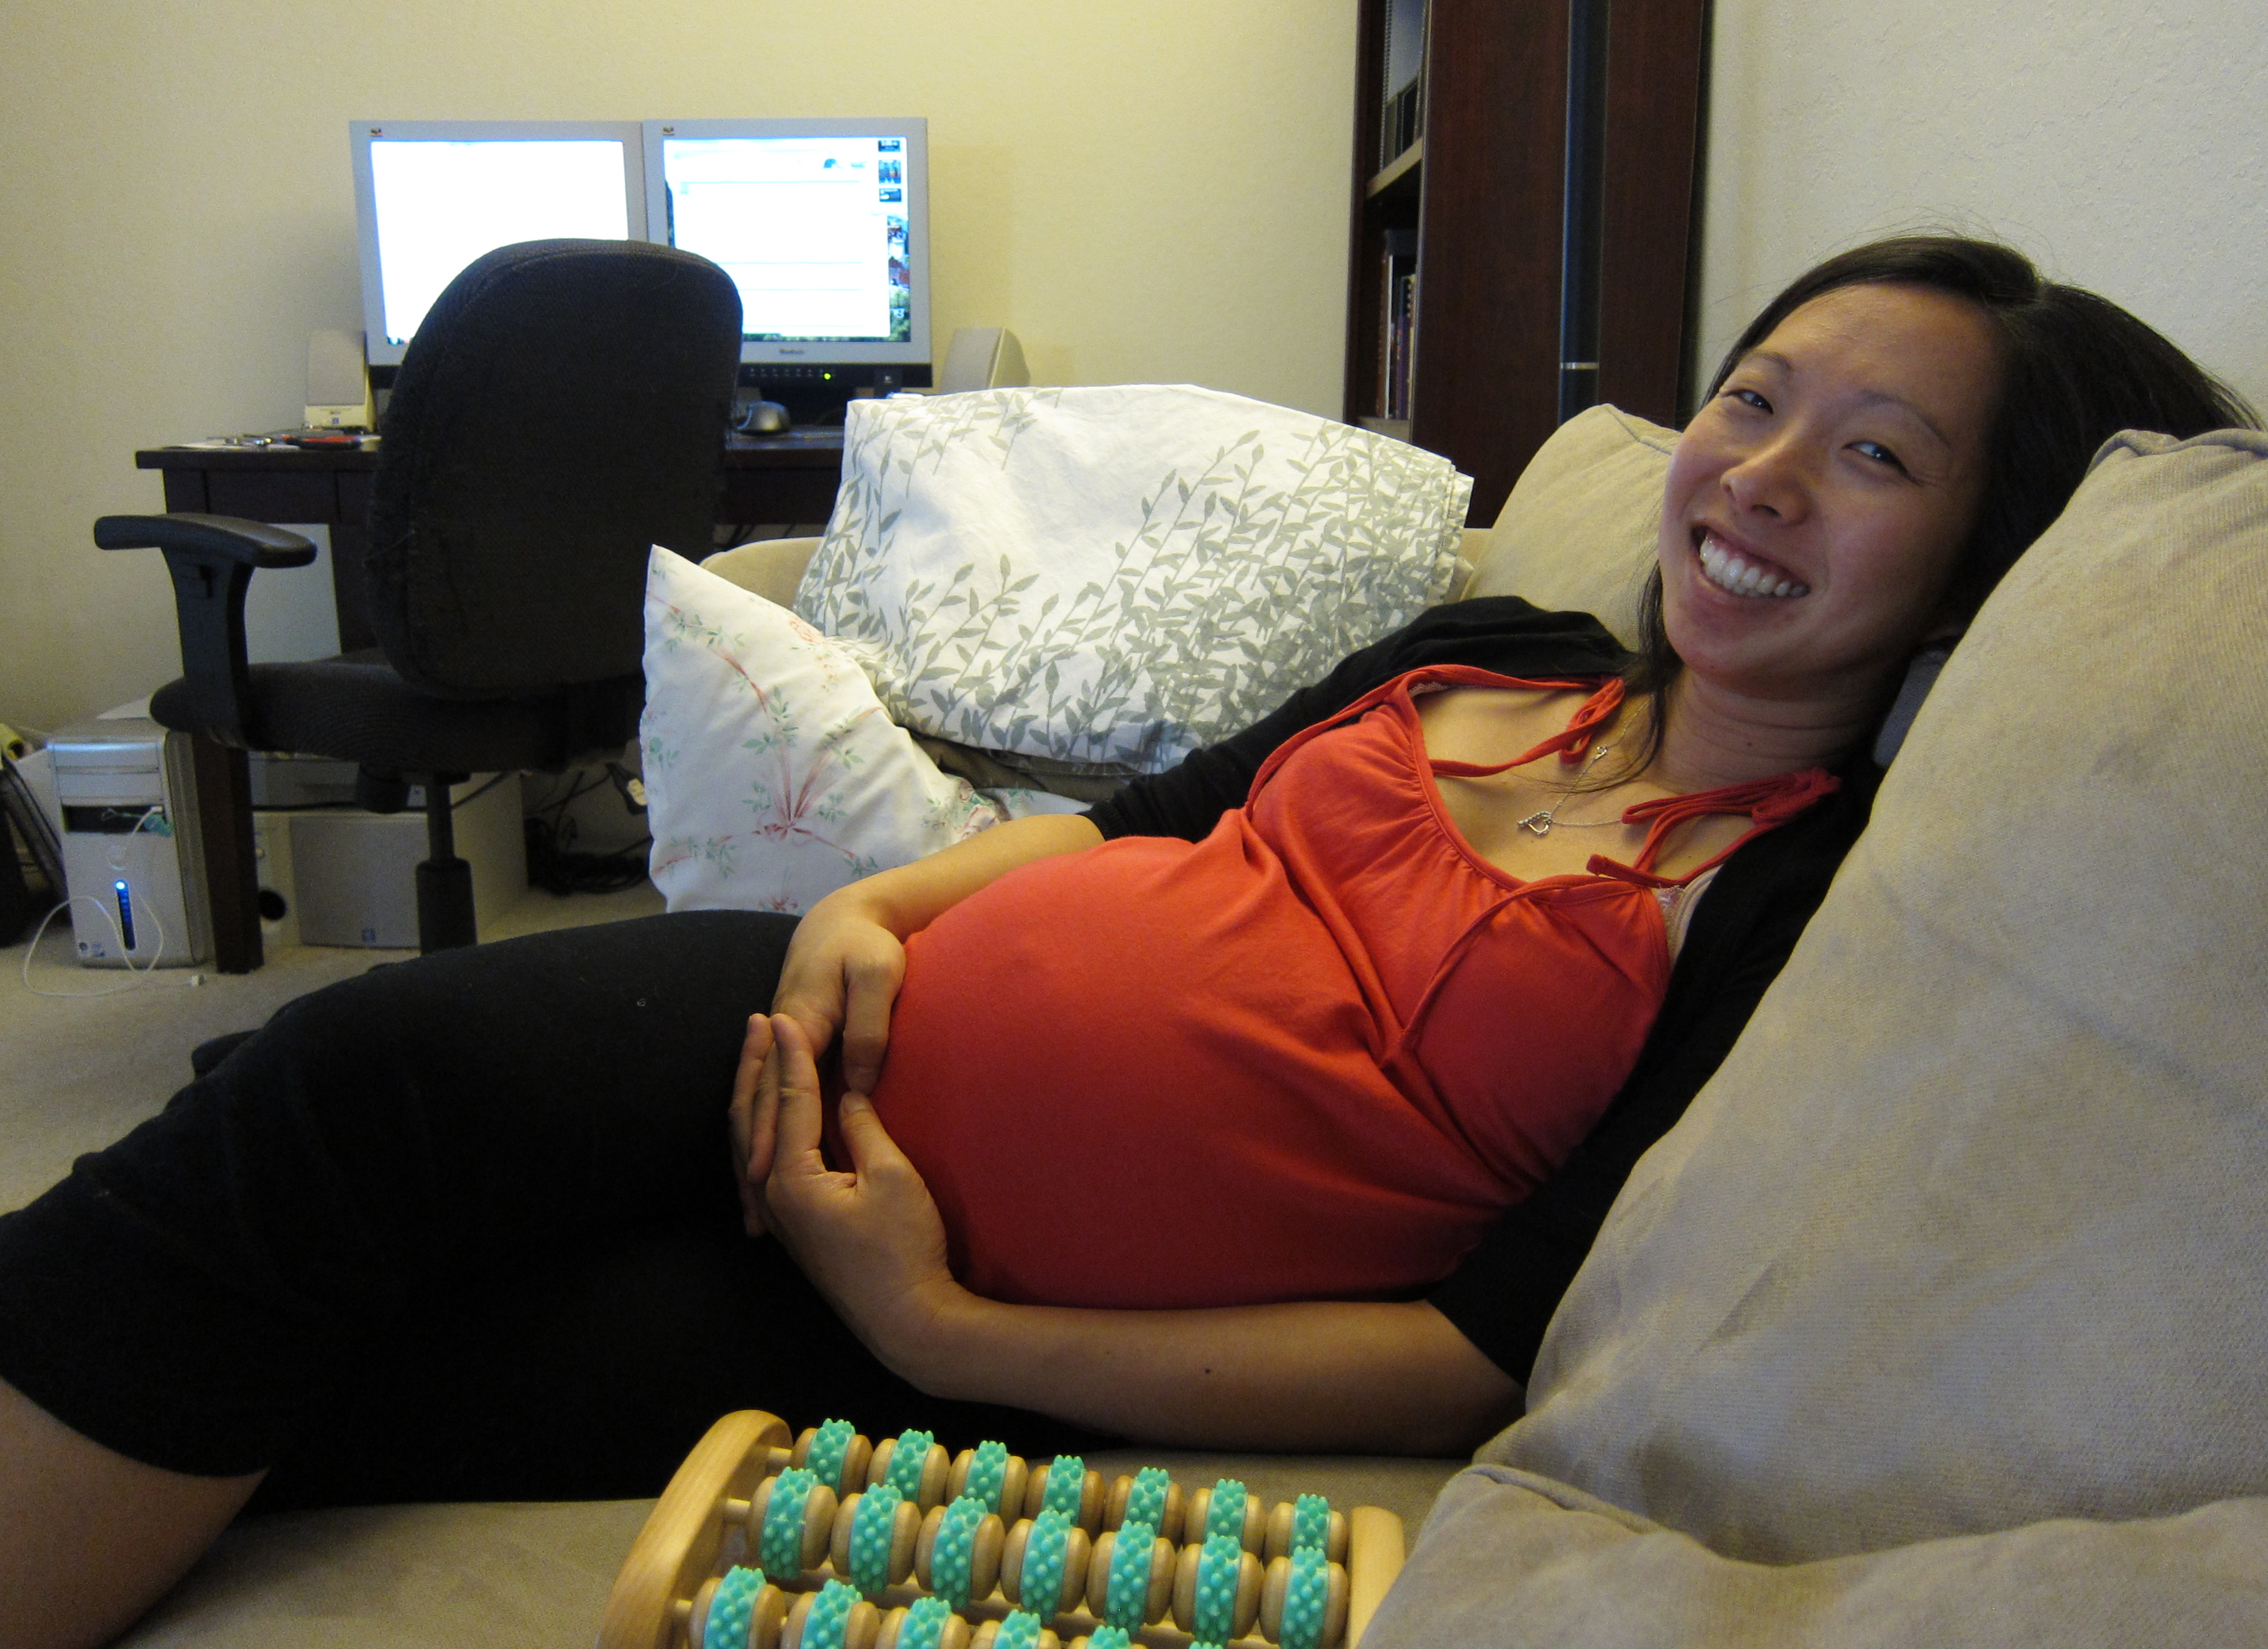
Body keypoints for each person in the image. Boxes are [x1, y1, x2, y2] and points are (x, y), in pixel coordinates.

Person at [0, 236, 2253, 1649]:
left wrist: (952, 1329)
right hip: (809, 1016)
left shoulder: (1792, 900)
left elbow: (1480, 1347)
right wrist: (871, 904)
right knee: (343, 1090)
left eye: (1876, 458)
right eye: (1756, 398)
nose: (1758, 473)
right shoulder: (1506, 639)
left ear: (1979, 558)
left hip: (942, 1298)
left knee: (378, 1380)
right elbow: (1149, 827)